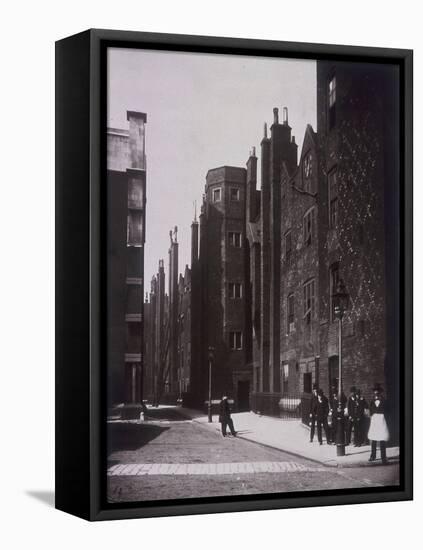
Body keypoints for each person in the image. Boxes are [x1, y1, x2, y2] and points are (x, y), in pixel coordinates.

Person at [368, 384, 389, 464]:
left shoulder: (384, 401)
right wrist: (371, 415)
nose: (376, 393)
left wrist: (384, 417)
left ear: (380, 392)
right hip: (374, 420)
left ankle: (383, 457)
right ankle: (373, 456)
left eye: (377, 391)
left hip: (382, 420)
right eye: (375, 391)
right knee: (373, 439)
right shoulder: (372, 401)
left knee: (382, 438)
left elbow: (388, 410)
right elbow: (370, 410)